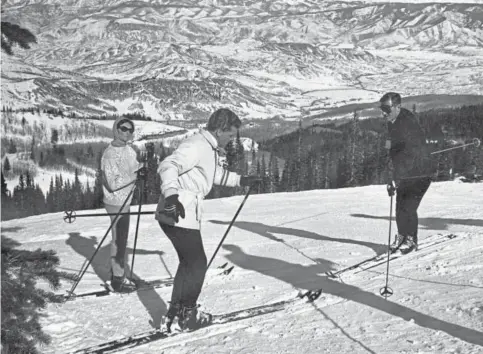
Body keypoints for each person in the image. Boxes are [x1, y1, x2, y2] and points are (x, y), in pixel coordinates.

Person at [155, 108, 261, 332]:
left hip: (180, 212)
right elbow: (168, 166)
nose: (232, 140)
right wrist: (172, 196)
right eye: (230, 134)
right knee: (197, 263)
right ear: (220, 129)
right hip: (178, 211)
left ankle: (176, 312)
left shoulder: (209, 147)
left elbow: (212, 175)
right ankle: (187, 315)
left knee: (189, 263)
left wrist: (242, 179)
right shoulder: (197, 145)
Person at [380, 92, 431, 254]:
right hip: (405, 172)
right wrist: (392, 175)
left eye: (387, 109)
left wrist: (397, 176)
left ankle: (411, 239)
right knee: (399, 206)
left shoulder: (408, 125)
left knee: (408, 206)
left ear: (397, 107)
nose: (383, 112)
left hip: (420, 172)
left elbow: (409, 154)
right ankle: (402, 236)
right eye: (382, 108)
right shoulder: (392, 122)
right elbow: (392, 149)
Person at [101, 117, 145, 291]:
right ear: (116, 130)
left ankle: (118, 274)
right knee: (119, 240)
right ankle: (117, 280)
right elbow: (112, 184)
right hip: (115, 201)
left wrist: (142, 167)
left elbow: (133, 169)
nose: (127, 132)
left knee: (121, 238)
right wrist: (136, 176)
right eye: (123, 129)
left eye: (130, 130)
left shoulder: (129, 150)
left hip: (125, 200)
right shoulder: (110, 154)